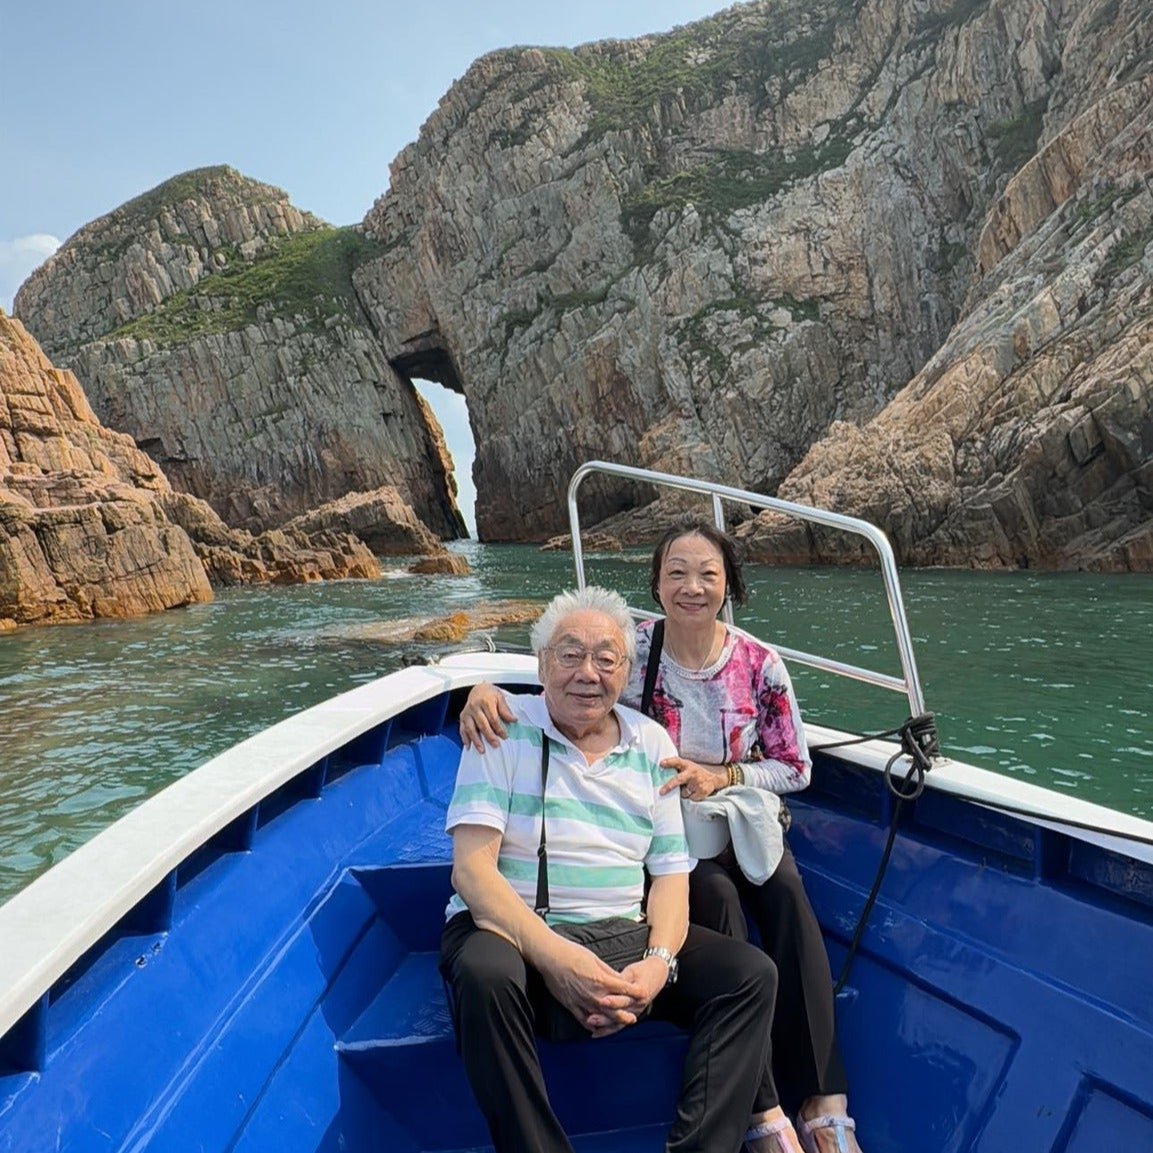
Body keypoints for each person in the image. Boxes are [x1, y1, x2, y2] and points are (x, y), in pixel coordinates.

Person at [459, 523, 863, 1153]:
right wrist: (479, 689)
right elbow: (473, 871)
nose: (588, 672)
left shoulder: (718, 692)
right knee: (488, 972)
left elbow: (783, 776)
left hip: (698, 840)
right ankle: (753, 1106)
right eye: (676, 572)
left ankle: (803, 1102)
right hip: (582, 887)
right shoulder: (538, 706)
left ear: (729, 582)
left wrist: (658, 961)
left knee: (767, 931)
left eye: (707, 572)